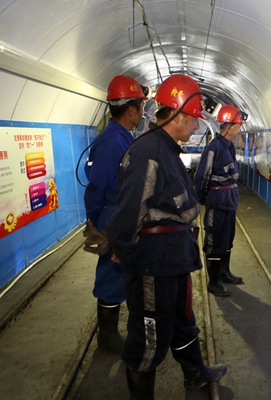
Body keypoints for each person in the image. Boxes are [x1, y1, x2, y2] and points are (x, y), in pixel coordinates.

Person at [96, 74, 227, 398]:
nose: (195, 127)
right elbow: (131, 210)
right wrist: (123, 248)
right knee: (149, 337)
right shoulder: (148, 152)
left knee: (182, 319)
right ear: (177, 115)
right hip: (153, 263)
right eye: (193, 119)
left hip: (173, 257)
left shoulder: (166, 148)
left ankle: (195, 373)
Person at [83, 74, 146, 354]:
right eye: (141, 105)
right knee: (111, 273)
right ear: (131, 109)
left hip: (121, 213)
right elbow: (97, 186)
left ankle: (119, 329)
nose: (142, 111)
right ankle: (107, 336)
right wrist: (94, 221)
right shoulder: (111, 142)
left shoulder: (122, 137)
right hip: (112, 215)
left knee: (123, 271)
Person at [194, 104, 246, 297]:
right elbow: (202, 176)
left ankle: (224, 272)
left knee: (227, 237)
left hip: (230, 200)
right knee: (215, 239)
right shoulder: (213, 148)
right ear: (229, 126)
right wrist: (201, 197)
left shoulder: (229, 146)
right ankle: (214, 281)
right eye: (237, 126)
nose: (239, 129)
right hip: (217, 200)